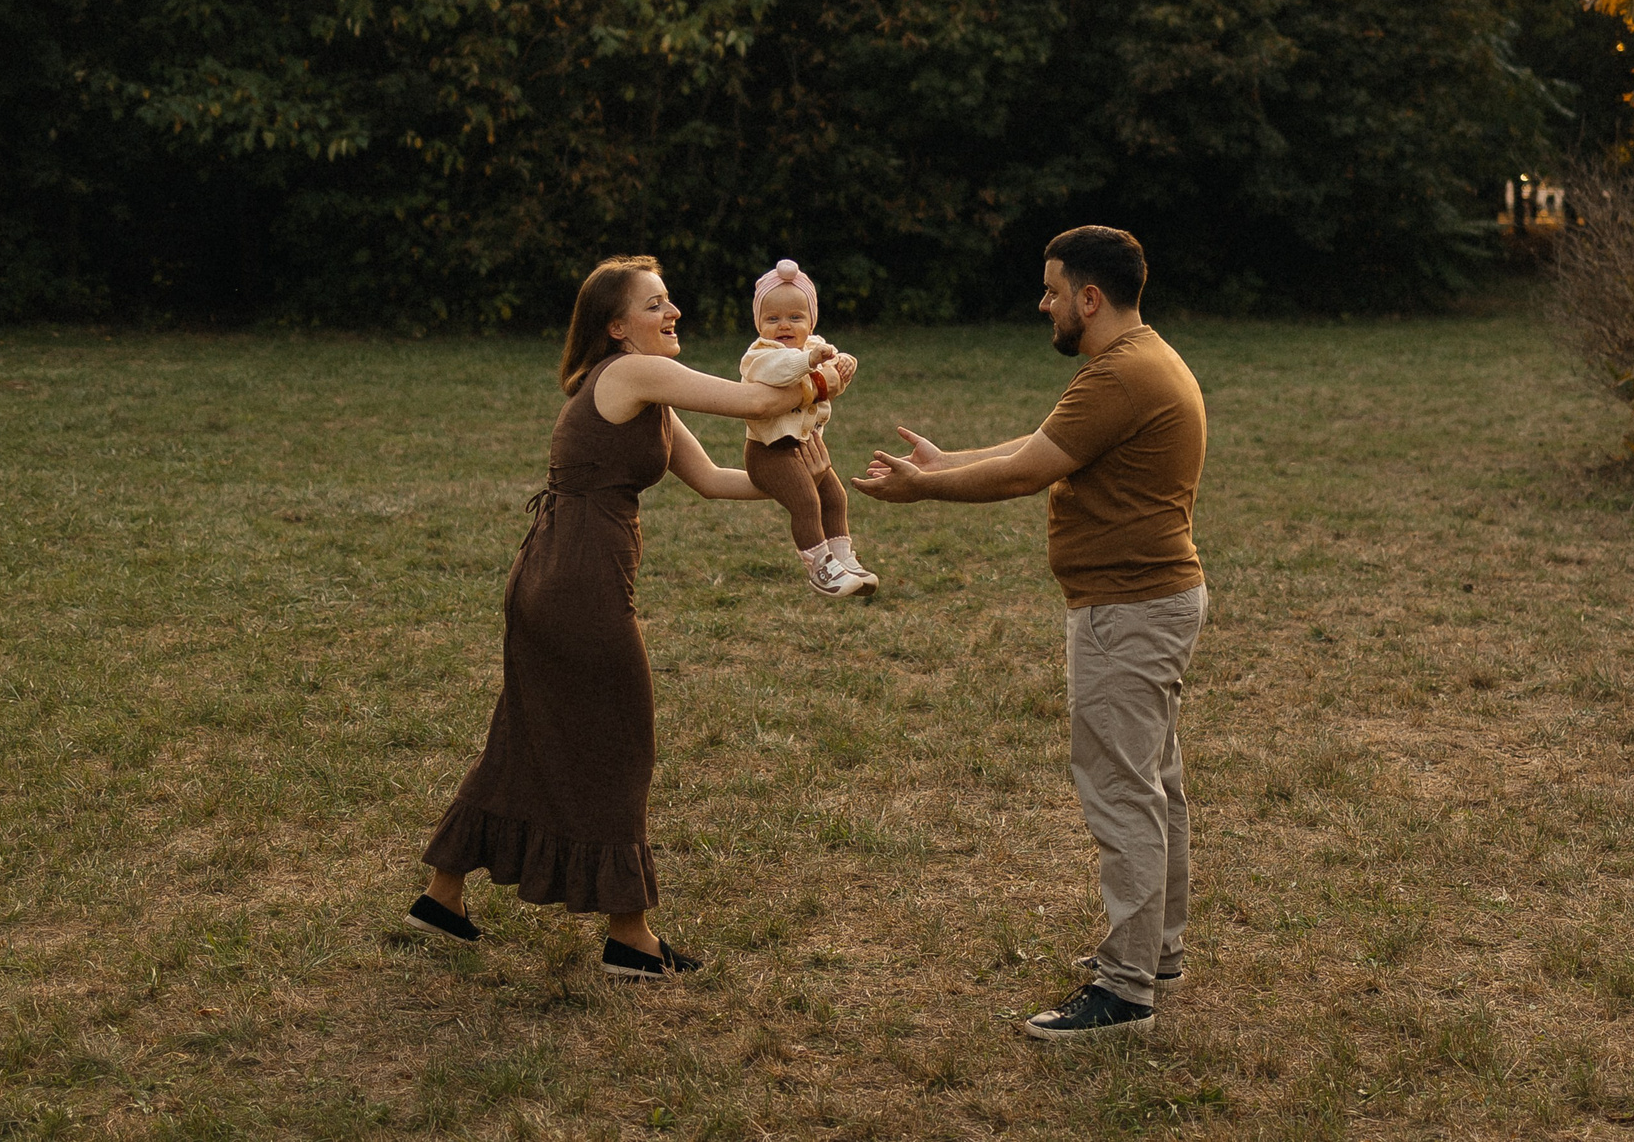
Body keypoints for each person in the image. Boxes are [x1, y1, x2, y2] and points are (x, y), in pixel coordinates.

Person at [406, 255, 835, 979]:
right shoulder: (630, 373)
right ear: (616, 326)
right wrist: (822, 370)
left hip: (559, 571)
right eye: (655, 305)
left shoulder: (648, 395)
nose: (673, 314)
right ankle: (629, 937)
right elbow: (758, 402)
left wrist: (802, 481)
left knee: (526, 731)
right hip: (578, 578)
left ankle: (440, 898)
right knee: (622, 739)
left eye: (670, 302)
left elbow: (716, 482)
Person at [855, 225, 1207, 1043]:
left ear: (1090, 297)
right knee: (1153, 786)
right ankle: (1155, 955)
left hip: (1128, 610)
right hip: (1149, 603)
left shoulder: (1121, 374)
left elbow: (1027, 469)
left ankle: (1125, 993)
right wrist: (943, 462)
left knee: (1124, 792)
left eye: (1051, 290)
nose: (1042, 303)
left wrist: (924, 492)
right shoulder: (1137, 362)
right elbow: (1043, 445)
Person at [740, 258, 876, 598]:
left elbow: (833, 380)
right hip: (769, 452)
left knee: (835, 497)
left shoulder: (815, 348)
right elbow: (780, 371)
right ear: (759, 325)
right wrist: (810, 362)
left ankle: (844, 560)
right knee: (806, 501)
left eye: (795, 318)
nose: (783, 325)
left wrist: (845, 363)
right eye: (772, 319)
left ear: (810, 322)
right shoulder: (760, 355)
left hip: (804, 448)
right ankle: (820, 567)